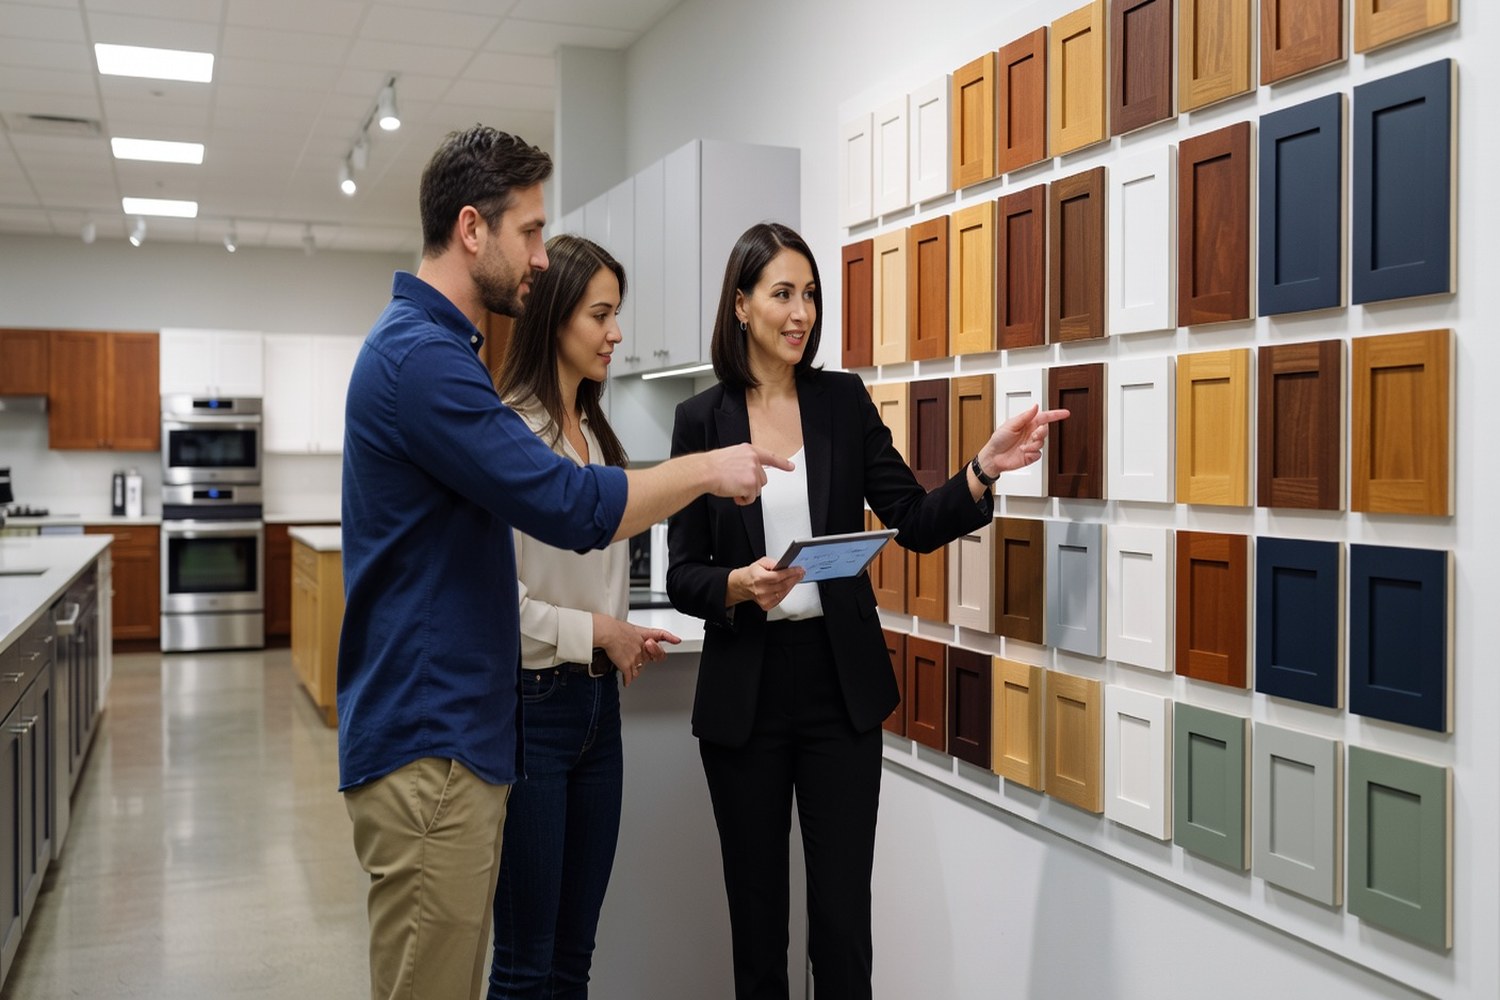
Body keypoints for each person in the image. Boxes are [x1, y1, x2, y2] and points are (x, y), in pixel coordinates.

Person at [338, 126, 790, 1000]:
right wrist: (707, 467)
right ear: (473, 229)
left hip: (454, 740)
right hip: (431, 747)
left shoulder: (440, 356)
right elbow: (573, 508)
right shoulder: (423, 362)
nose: (542, 258)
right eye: (532, 232)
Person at [666, 222, 1067, 1000]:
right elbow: (682, 572)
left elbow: (912, 520)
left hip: (836, 688)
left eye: (810, 295)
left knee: (843, 925)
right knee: (757, 929)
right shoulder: (700, 420)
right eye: (783, 294)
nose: (801, 312)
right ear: (741, 305)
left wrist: (984, 468)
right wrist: (738, 586)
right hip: (744, 691)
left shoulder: (841, 401)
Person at [484, 233, 672, 999]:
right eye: (601, 314)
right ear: (556, 315)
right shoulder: (508, 434)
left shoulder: (595, 436)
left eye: (618, 314)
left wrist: (615, 634)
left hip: (598, 709)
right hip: (535, 709)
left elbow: (600, 575)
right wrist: (599, 631)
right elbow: (497, 603)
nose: (616, 333)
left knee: (575, 955)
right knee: (526, 964)